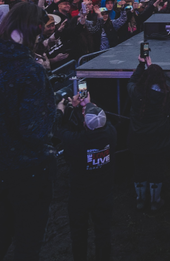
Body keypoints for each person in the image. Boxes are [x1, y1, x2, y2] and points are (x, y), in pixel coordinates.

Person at [0, 2, 56, 260]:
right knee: (27, 242)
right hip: (27, 171)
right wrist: (57, 111)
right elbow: (34, 130)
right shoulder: (30, 71)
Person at [54, 94, 116, 261]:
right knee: (103, 233)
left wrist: (64, 109)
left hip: (80, 196)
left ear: (84, 125)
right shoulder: (111, 133)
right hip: (104, 194)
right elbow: (102, 121)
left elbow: (60, 129)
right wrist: (87, 105)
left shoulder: (76, 142)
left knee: (78, 235)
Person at [128, 53, 170, 211]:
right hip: (158, 140)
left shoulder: (135, 93)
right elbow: (166, 81)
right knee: (156, 169)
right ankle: (155, 201)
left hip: (137, 139)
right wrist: (151, 66)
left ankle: (140, 200)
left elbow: (132, 81)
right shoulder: (165, 93)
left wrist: (141, 66)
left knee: (139, 168)